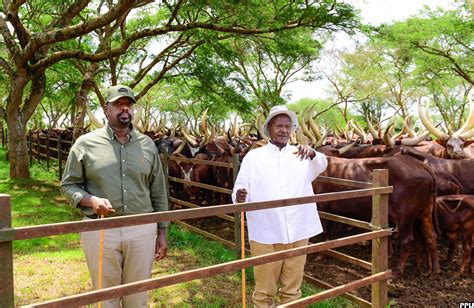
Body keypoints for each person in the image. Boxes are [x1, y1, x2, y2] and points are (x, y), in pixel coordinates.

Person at [60, 84, 168, 308]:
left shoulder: (147, 145)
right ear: (106, 109)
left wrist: (162, 231)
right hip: (100, 228)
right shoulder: (85, 144)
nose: (125, 109)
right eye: (118, 104)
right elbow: (68, 185)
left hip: (141, 228)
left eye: (128, 104)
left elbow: (158, 190)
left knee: (137, 296)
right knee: (105, 297)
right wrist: (91, 200)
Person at [232, 105, 327, 307]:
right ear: (269, 129)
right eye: (279, 126)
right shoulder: (254, 157)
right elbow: (240, 189)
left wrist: (312, 153)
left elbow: (322, 164)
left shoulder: (301, 155)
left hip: (298, 230)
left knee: (292, 290)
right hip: (266, 231)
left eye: (287, 126)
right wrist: (240, 196)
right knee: (264, 290)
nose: (284, 130)